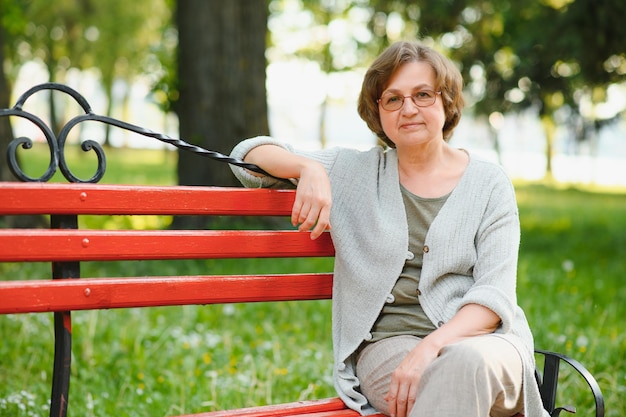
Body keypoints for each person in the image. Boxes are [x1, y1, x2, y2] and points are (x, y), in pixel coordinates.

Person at [229, 41, 548, 417]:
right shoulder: (353, 172)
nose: (409, 108)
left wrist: (430, 348)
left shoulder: (489, 183)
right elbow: (245, 157)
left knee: (464, 365)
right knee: (451, 383)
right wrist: (306, 168)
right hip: (388, 350)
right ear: (377, 112)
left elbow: (493, 297)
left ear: (446, 102)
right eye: (393, 99)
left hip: (486, 345)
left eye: (423, 95)